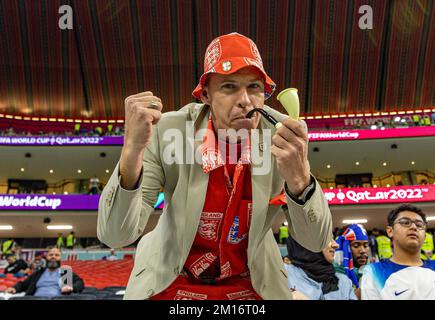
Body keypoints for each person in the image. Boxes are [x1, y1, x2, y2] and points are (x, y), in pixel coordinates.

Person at [97, 32, 333, 300]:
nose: (245, 99)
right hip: (173, 278)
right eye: (229, 87)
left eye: (254, 87)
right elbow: (115, 236)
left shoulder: (283, 133)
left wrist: (300, 178)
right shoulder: (167, 131)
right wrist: (131, 152)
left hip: (249, 281)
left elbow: (316, 241)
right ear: (205, 95)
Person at [361, 204, 435, 300]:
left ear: (425, 236)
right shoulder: (374, 272)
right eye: (405, 222)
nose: (413, 227)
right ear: (390, 231)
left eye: (419, 225)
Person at [285, 236, 357, 300]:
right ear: (307, 242)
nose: (336, 245)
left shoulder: (343, 282)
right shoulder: (284, 276)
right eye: (328, 238)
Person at [5, 247, 84, 297]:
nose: (53, 256)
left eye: (56, 255)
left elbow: (79, 282)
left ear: (60, 258)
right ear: (46, 257)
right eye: (51, 255)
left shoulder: (65, 272)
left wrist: (71, 287)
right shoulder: (39, 273)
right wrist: (14, 288)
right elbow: (23, 284)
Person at [334, 224, 370, 299]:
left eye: (366, 245)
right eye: (356, 245)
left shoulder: (372, 274)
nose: (363, 251)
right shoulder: (333, 278)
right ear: (342, 248)